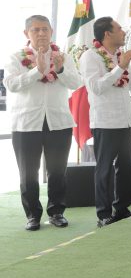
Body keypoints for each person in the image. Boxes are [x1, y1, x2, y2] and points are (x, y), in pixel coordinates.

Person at [79, 16, 131, 227]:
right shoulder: (91, 56)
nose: (124, 32)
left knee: (126, 167)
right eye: (119, 28)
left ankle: (122, 208)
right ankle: (104, 214)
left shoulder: (118, 55)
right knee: (104, 169)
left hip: (126, 122)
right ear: (107, 34)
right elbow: (96, 87)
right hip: (105, 123)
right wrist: (119, 67)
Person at [3, 15, 82, 231]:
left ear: (51, 31)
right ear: (26, 33)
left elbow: (77, 83)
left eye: (45, 29)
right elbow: (11, 84)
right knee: (28, 172)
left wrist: (61, 69)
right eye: (36, 29)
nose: (41, 34)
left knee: (57, 171)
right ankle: (32, 215)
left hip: (59, 122)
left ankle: (56, 212)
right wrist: (36, 71)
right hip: (26, 123)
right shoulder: (16, 58)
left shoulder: (63, 57)